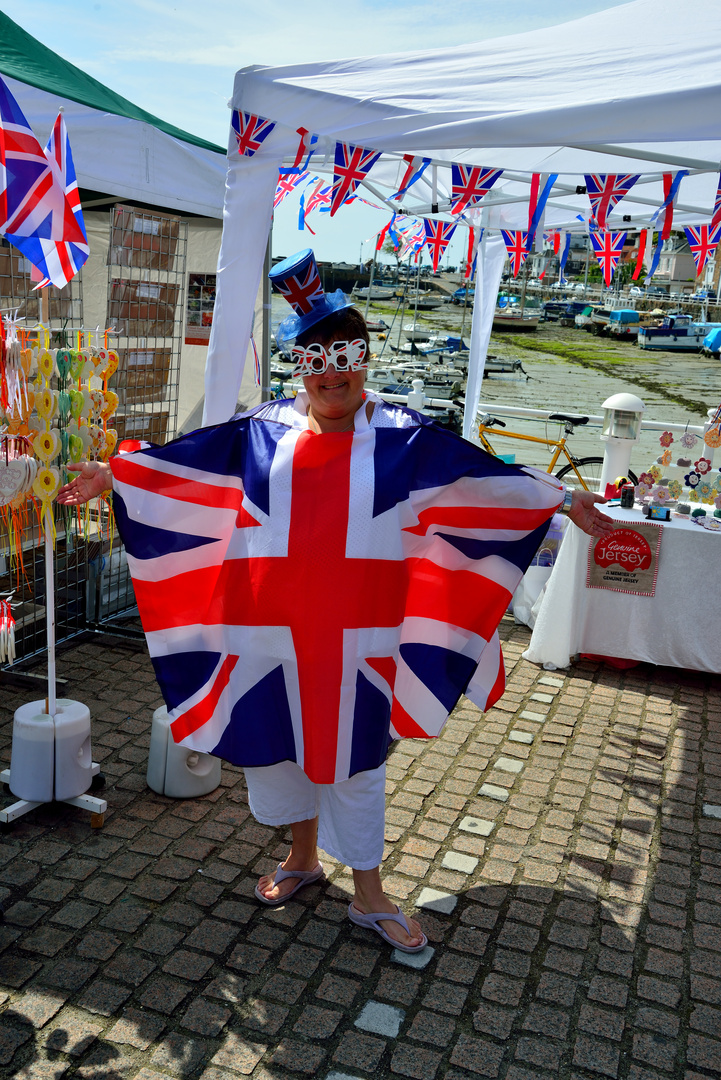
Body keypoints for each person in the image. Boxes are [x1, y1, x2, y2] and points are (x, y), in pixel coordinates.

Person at [58, 249, 612, 953]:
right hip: (272, 635)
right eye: (318, 364)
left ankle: (370, 895)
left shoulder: (403, 438)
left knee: (355, 762)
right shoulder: (261, 433)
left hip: (363, 640)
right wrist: (115, 473)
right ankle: (299, 857)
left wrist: (561, 496)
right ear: (301, 368)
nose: (333, 379)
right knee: (283, 745)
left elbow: (480, 480)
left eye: (346, 362)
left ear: (365, 363)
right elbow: (186, 465)